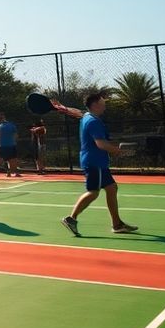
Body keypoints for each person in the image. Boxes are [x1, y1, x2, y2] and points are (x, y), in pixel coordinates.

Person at [53, 93, 138, 237]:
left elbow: (78, 112)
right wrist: (119, 151)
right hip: (94, 162)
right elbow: (101, 144)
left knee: (111, 188)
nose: (105, 106)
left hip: (98, 162)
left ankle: (117, 224)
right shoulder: (93, 122)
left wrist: (64, 108)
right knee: (93, 192)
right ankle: (71, 219)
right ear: (95, 105)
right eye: (102, 103)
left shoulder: (87, 116)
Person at [0, 112, 21, 177]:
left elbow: (16, 135)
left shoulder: (11, 125)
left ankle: (10, 172)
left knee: (12, 162)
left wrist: (13, 142)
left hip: (11, 146)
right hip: (2, 146)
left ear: (3, 116)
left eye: (0, 116)